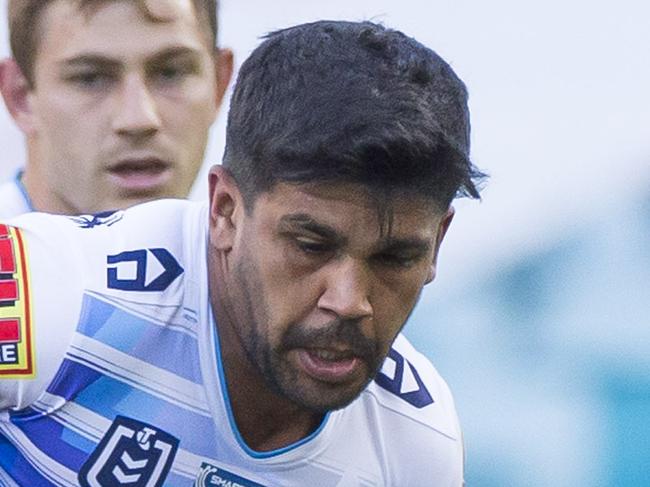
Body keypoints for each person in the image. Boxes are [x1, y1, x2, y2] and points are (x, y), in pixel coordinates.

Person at [0, 20, 485, 486]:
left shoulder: (417, 443)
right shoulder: (52, 291)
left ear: (437, 243)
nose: (348, 301)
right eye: (311, 245)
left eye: (395, 258)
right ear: (225, 211)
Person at [0, 0, 232, 218]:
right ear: (19, 96)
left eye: (170, 73)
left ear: (219, 83)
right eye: (90, 78)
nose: (139, 120)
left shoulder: (254, 255)